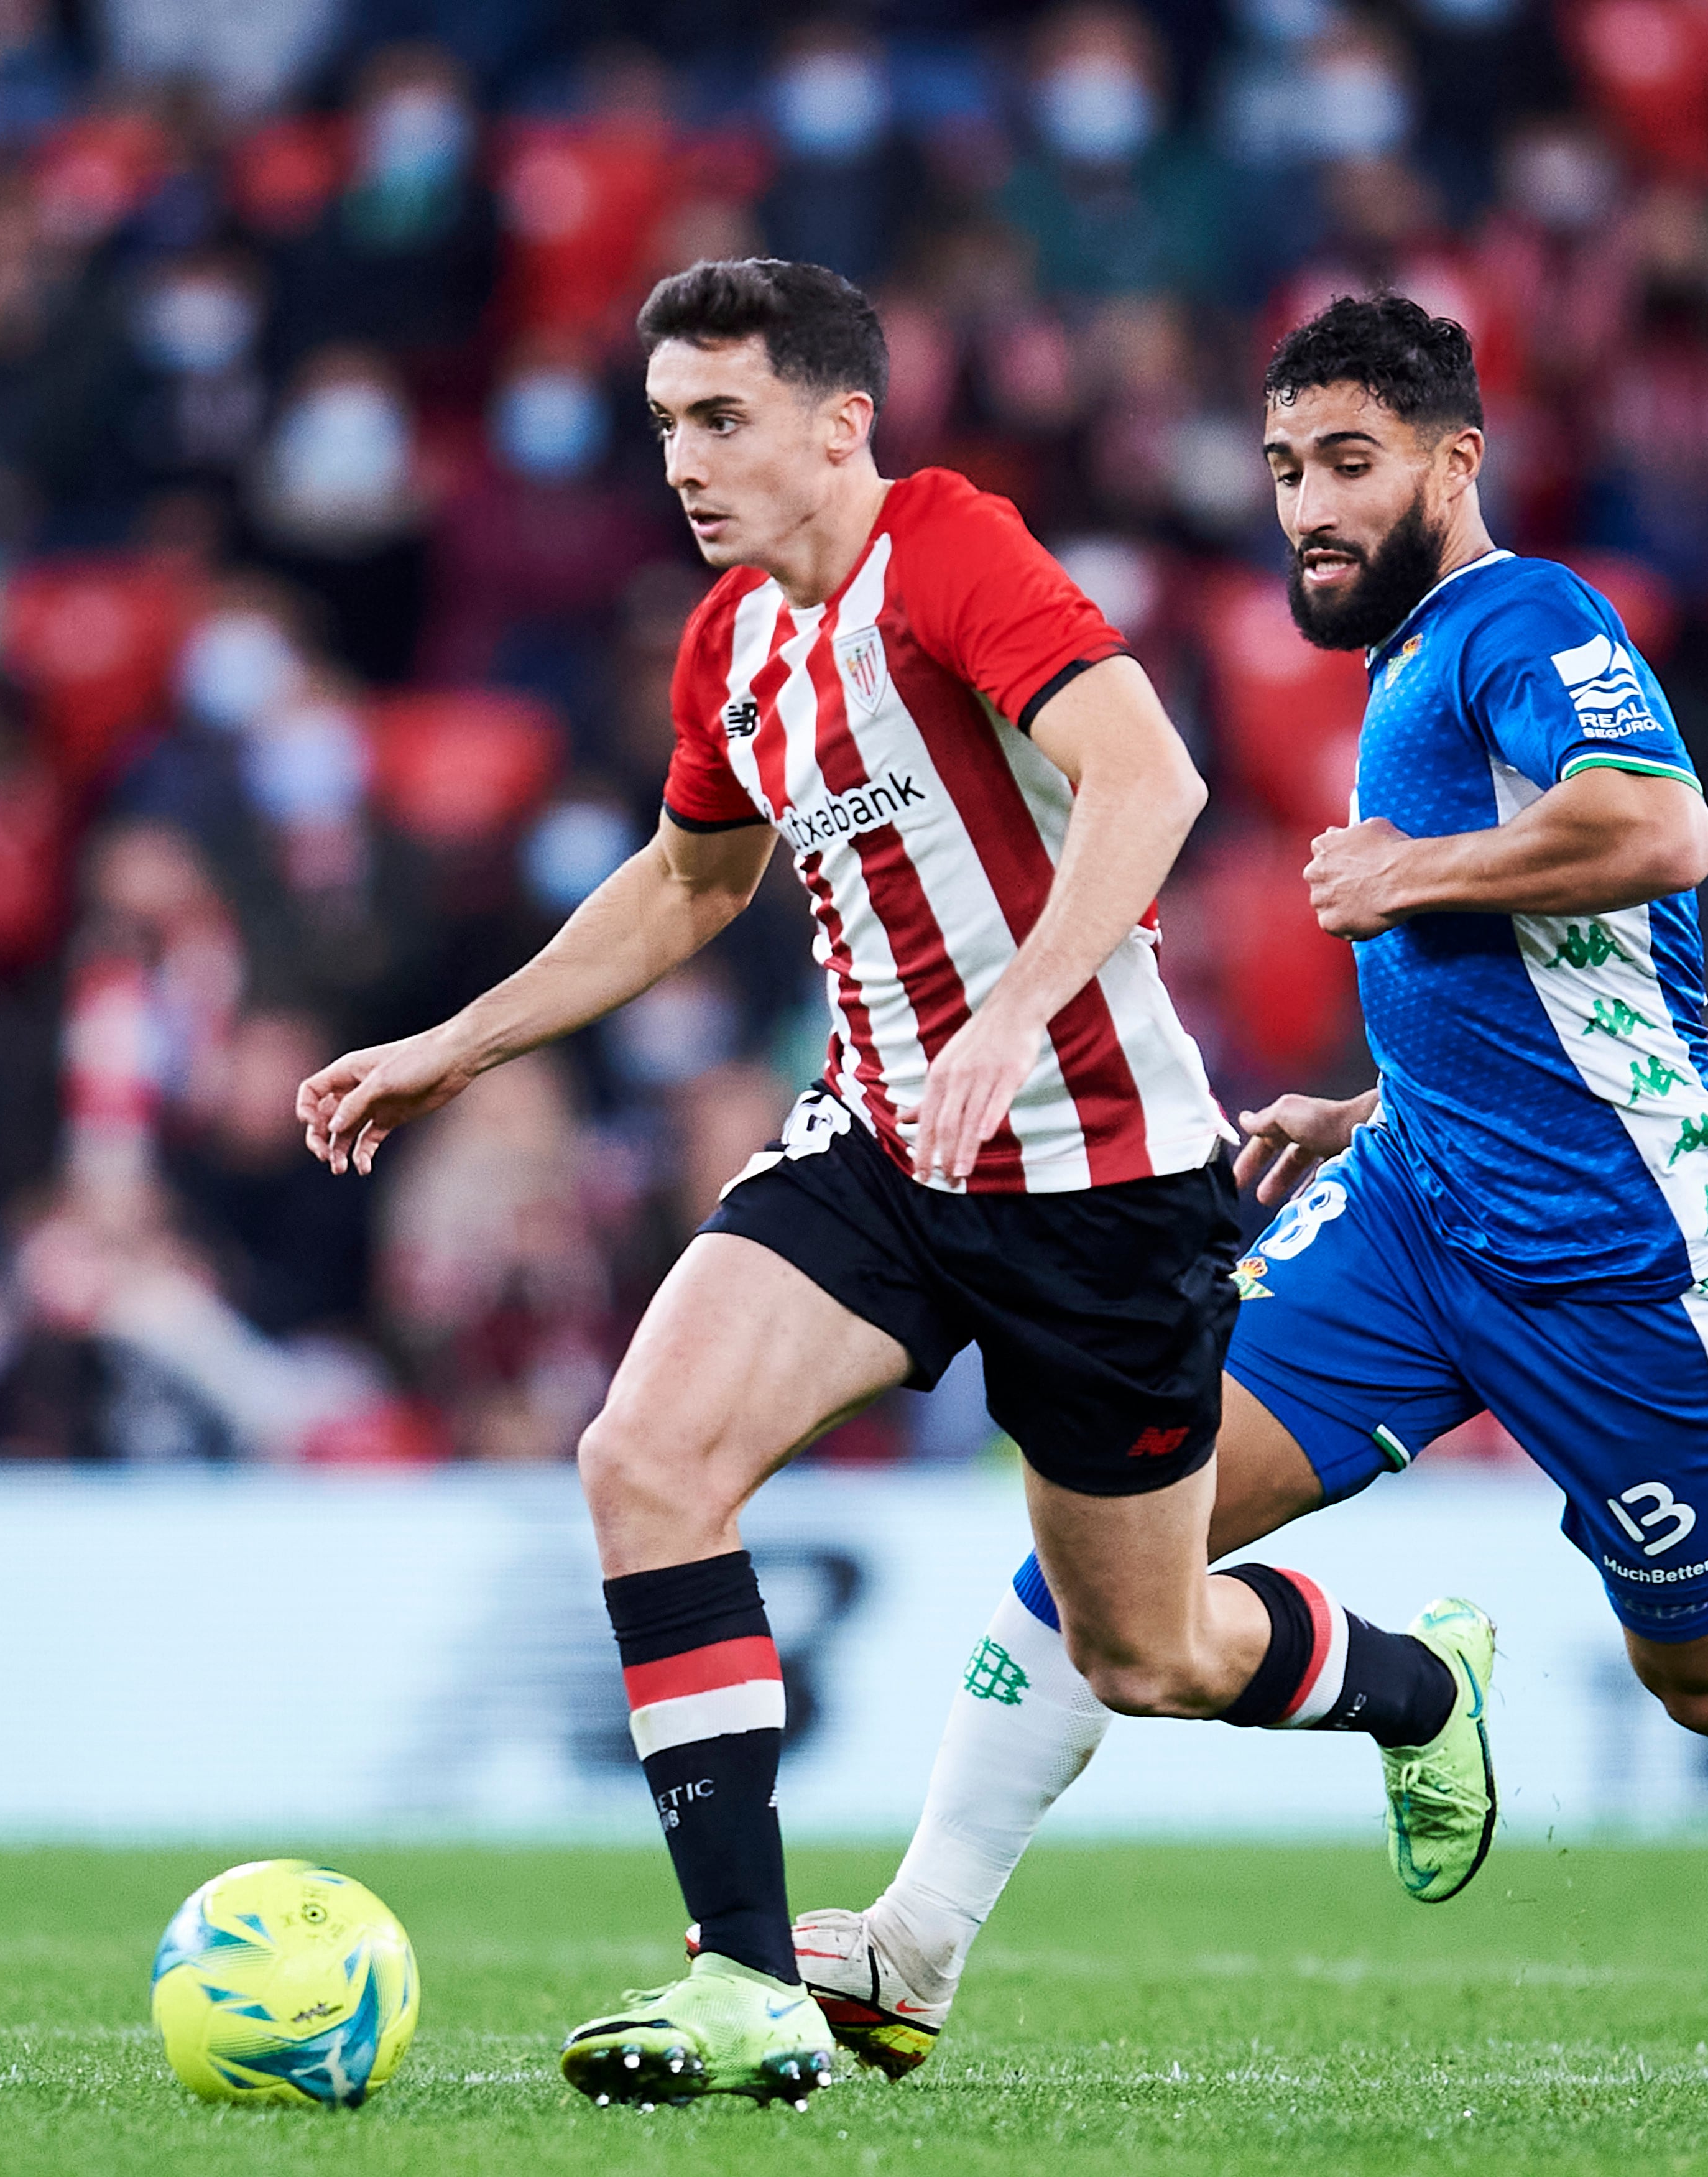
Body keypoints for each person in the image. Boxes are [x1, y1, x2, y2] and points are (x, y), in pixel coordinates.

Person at [788, 295, 1708, 2081]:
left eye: (1350, 464)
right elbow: (1561, 991)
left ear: (1458, 461)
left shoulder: (1527, 617)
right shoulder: (1408, 660)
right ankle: (914, 1945)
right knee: (1123, 1518)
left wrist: (1417, 870)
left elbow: (1668, 831)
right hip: (1422, 1208)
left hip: (1627, 1259)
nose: (1308, 507)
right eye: (1287, 469)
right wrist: (1366, 1106)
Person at [292, 261, 1495, 2110]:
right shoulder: (727, 647)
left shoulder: (947, 553)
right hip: (882, 1147)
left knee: (1150, 1649)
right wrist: (454, 1047)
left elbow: (1149, 780)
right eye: (668, 426)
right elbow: (693, 886)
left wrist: (1019, 1007)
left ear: (841, 426)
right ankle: (748, 1983)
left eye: (723, 420)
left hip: (1099, 1178)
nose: (684, 463)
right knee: (645, 1459)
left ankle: (1417, 1691)